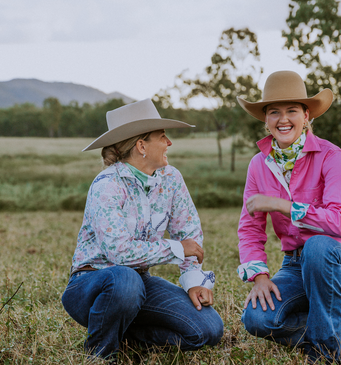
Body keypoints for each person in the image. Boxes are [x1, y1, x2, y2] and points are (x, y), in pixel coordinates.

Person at [61, 99, 223, 360]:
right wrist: (177, 249)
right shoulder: (107, 185)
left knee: (208, 329)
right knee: (125, 280)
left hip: (139, 283)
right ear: (141, 146)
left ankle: (126, 337)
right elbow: (119, 252)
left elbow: (188, 231)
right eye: (162, 136)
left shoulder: (171, 178)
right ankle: (100, 353)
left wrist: (192, 279)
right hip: (91, 283)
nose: (169, 142)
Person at [236, 71, 341, 364]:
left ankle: (324, 354)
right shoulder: (258, 165)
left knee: (317, 246)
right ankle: (324, 327)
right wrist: (261, 277)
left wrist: (283, 205)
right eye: (274, 112)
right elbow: (250, 228)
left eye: (292, 110)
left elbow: (339, 222)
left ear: (306, 115)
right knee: (256, 319)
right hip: (294, 265)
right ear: (266, 120)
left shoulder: (330, 154)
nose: (283, 119)